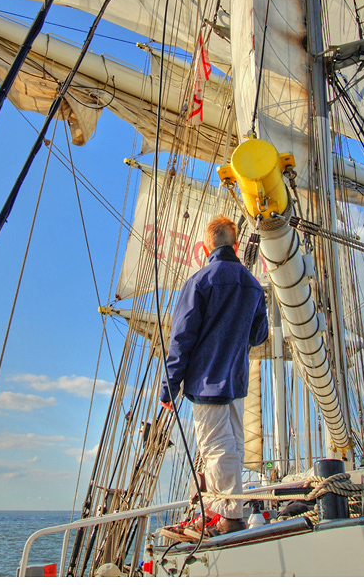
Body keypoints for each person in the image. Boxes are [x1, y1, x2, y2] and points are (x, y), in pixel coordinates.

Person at [159, 215, 268, 541]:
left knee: (217, 449)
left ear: (207, 246)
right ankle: (213, 512)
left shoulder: (199, 282)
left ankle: (229, 518)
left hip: (206, 383)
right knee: (232, 445)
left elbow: (181, 339)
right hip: (235, 382)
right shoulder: (253, 285)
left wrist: (169, 387)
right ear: (235, 244)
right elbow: (259, 334)